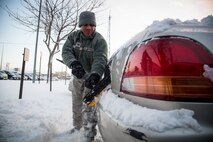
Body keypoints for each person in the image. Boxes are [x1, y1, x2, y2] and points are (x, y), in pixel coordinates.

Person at [62, 11, 108, 142]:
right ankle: (77, 127)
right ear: (80, 25)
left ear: (94, 25)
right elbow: (66, 51)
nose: (88, 27)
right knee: (76, 103)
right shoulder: (73, 37)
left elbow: (100, 59)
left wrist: (95, 75)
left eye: (91, 24)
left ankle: (89, 134)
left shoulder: (99, 41)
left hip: (92, 79)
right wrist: (74, 63)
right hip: (78, 78)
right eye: (84, 24)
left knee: (89, 107)